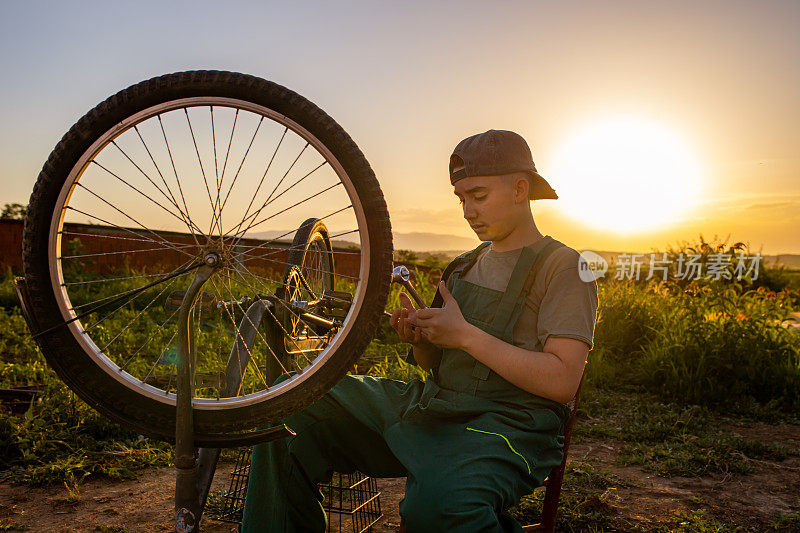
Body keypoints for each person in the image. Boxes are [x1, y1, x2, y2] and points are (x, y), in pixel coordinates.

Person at [241, 129, 599, 532]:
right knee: (293, 400)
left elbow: (562, 381)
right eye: (461, 199)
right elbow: (434, 364)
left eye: (478, 196)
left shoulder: (566, 267)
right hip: (435, 404)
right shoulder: (464, 264)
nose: (467, 211)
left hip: (508, 425)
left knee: (439, 509)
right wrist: (423, 338)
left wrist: (465, 335)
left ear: (520, 189)